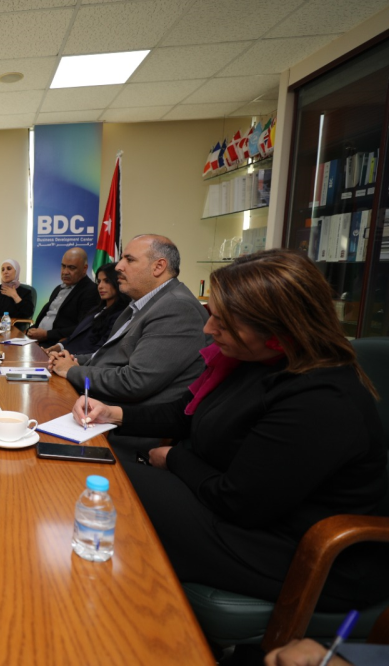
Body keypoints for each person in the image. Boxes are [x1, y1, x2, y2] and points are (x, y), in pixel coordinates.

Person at [72, 249, 389, 614]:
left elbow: (239, 502)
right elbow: (184, 415)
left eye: (223, 322)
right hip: (233, 507)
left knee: (114, 494)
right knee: (99, 475)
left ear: (278, 328)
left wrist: (174, 458)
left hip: (294, 550)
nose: (208, 330)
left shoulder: (320, 400)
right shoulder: (255, 360)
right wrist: (113, 413)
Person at [49, 234, 209, 408]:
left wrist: (72, 370)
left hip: (119, 416)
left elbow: (135, 382)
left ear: (158, 267)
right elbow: (112, 356)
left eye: (129, 260)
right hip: (98, 401)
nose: (118, 266)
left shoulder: (177, 308)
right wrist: (73, 359)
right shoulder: (143, 303)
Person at [25, 247, 101, 346]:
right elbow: (48, 316)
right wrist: (31, 331)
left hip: (57, 344)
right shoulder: (58, 288)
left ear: (84, 269)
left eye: (71, 268)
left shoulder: (91, 291)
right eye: (63, 266)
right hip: (36, 340)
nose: (65, 272)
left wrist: (47, 335)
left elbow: (82, 327)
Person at [56, 262, 131, 356]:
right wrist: (58, 347)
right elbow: (74, 337)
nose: (100, 286)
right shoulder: (96, 309)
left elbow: (99, 351)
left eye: (107, 281)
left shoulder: (120, 315)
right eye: (99, 281)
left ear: (118, 282)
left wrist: (65, 356)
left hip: (78, 361)